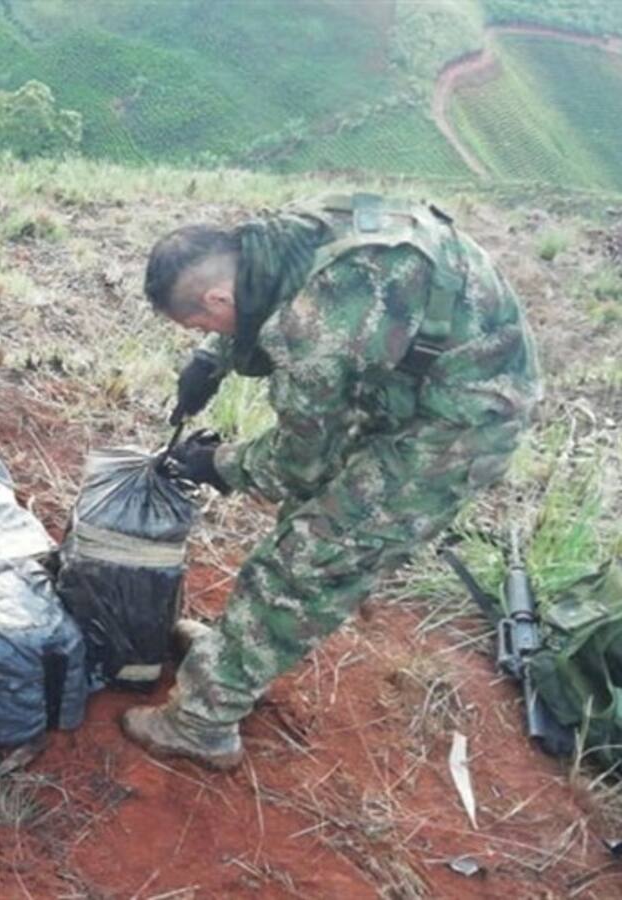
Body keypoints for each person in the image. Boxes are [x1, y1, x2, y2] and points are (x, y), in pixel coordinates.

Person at [121, 193, 540, 770]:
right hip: (410, 374)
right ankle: (235, 657)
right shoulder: (279, 240)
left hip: (459, 423)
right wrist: (211, 358)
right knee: (305, 525)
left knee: (307, 562)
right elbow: (274, 306)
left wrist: (216, 464)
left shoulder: (310, 330)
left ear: (219, 296)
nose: (204, 328)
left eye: (201, 321)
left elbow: (299, 463)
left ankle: (201, 723)